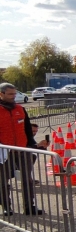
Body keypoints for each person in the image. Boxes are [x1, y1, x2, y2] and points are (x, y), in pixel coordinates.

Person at [0, 83, 44, 216]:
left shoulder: (20, 109)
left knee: (27, 180)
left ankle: (30, 207)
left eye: (14, 93)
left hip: (23, 150)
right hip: (4, 152)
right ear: (1, 94)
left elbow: (27, 130)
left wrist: (32, 145)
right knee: (3, 180)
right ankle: (7, 207)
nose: (13, 97)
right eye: (10, 94)